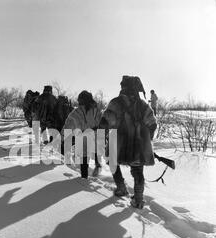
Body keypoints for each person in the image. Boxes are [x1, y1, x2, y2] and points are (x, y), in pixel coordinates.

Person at [99, 76, 157, 209]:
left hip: (118, 143)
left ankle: (121, 188)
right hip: (138, 144)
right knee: (138, 171)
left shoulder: (116, 103)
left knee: (112, 162)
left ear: (123, 87)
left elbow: (105, 122)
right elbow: (152, 124)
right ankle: (138, 200)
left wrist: (102, 136)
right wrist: (147, 138)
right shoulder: (143, 105)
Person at [61, 90, 102, 179]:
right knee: (96, 151)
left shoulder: (77, 112)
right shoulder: (97, 110)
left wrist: (63, 136)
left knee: (84, 157)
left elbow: (69, 124)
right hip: (96, 134)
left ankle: (84, 177)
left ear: (81, 100)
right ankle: (98, 165)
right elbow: (102, 122)